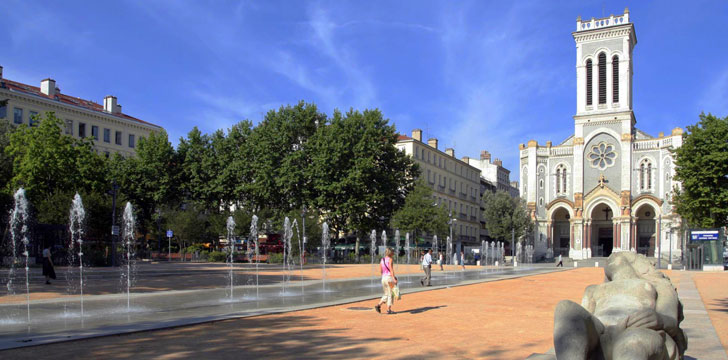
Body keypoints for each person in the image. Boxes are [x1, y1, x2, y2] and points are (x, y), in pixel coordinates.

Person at [553, 252, 686, 359]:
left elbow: (672, 322)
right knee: (565, 308)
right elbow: (583, 321)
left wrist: (660, 320)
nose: (615, 259)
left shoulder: (659, 286)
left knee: (631, 343)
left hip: (638, 330)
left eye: (623, 256)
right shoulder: (594, 289)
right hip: (601, 335)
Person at [374, 248, 397, 314]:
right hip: (389, 278)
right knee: (390, 294)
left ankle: (378, 305)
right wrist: (394, 278)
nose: (394, 253)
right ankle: (388, 310)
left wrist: (384, 275)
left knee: (386, 293)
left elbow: (381, 271)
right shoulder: (390, 260)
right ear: (390, 253)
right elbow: (391, 270)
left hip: (383, 278)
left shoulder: (382, 260)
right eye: (393, 252)